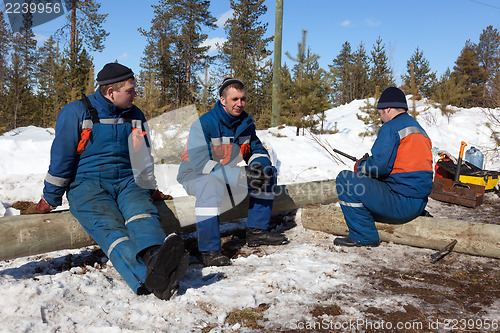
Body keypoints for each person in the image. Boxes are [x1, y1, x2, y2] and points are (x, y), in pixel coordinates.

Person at [22, 62, 189, 300]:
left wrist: (150, 188)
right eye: (130, 90)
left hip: (127, 180)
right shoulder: (76, 112)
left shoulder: (135, 115)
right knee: (112, 230)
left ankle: (156, 258)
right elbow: (62, 159)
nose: (135, 94)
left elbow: (143, 157)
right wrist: (49, 199)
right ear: (111, 92)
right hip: (88, 184)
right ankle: (149, 278)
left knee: (142, 214)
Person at [177, 77, 288, 267]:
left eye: (243, 99)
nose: (240, 104)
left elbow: (256, 150)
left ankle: (257, 231)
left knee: (267, 173)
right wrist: (238, 176)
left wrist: (260, 167)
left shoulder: (245, 123)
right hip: (195, 175)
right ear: (222, 100)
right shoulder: (204, 124)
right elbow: (201, 163)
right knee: (210, 184)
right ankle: (209, 250)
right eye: (234, 99)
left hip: (224, 175)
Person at [334, 87, 433, 247]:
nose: (380, 118)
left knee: (345, 180)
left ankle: (363, 235)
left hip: (402, 205)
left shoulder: (391, 127)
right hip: (419, 203)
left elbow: (379, 168)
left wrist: (360, 166)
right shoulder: (419, 130)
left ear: (388, 108)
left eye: (380, 112)